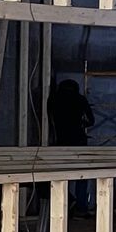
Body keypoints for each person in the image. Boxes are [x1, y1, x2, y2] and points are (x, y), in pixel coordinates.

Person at [48, 79, 96, 214]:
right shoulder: (80, 99)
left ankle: (63, 205)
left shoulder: (54, 100)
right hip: (79, 141)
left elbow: (49, 119)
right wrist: (81, 124)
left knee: (61, 176)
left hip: (61, 142)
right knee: (82, 175)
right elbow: (91, 121)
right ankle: (81, 207)